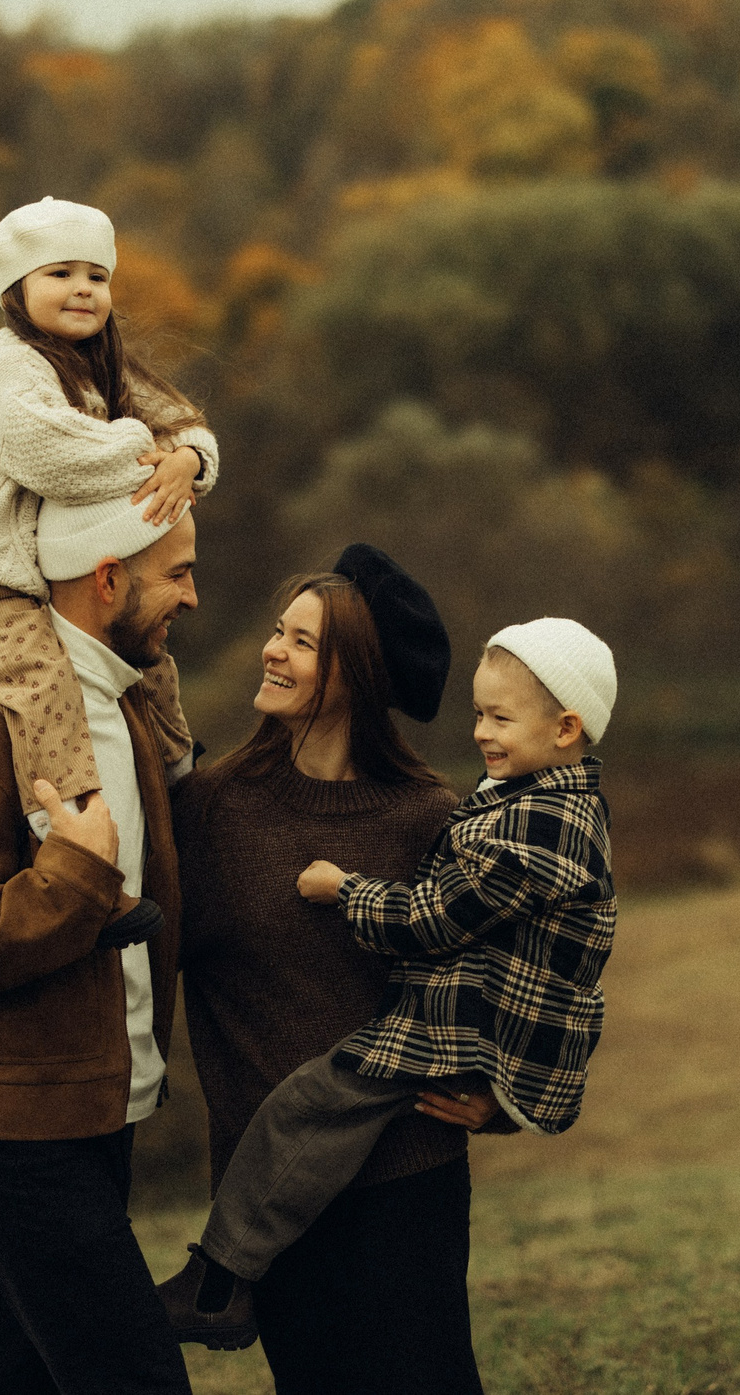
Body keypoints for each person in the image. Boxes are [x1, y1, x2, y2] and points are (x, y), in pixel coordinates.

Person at [160, 616, 620, 1352]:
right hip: (466, 1028)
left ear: (566, 729)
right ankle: (222, 1280)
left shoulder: (531, 822)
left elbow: (436, 917)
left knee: (308, 1107)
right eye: (479, 713)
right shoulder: (527, 802)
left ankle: (218, 1279)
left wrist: (346, 890)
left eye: (500, 718)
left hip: (457, 1044)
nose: (481, 732)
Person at [0, 489, 203, 1395]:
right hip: (16, 1133)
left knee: (10, 1377)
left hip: (98, 1111)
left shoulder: (125, 708)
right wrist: (73, 876)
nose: (192, 595)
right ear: (108, 578)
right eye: (178, 573)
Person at [169, 545, 491, 1391]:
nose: (272, 649)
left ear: (357, 674)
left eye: (302, 641)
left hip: (408, 1177)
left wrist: (501, 1096)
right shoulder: (210, 809)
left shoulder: (428, 816)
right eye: (279, 630)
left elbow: (500, 977)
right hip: (270, 1196)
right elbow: (142, 953)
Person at [0, 195, 218, 937]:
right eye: (60, 273)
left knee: (152, 669)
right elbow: (49, 454)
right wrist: (145, 451)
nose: (83, 289)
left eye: (97, 275)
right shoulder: (8, 371)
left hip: (49, 575)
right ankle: (81, 851)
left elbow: (186, 423)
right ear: (16, 291)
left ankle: (181, 789)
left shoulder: (99, 367)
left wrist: (188, 457)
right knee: (43, 688)